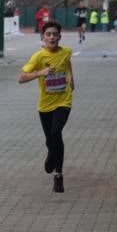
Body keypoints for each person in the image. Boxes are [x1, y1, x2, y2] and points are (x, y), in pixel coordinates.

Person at [18, 20, 75, 194]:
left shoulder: (66, 52)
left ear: (59, 37)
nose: (52, 37)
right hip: (44, 105)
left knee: (56, 133)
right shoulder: (38, 57)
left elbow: (67, 63)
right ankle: (51, 152)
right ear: (43, 37)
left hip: (63, 101)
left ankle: (58, 176)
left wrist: (71, 77)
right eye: (48, 35)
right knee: (51, 139)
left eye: (55, 34)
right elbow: (21, 78)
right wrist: (39, 73)